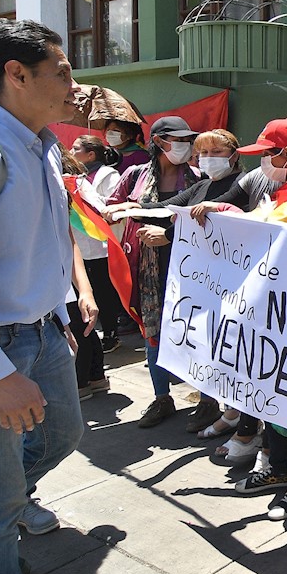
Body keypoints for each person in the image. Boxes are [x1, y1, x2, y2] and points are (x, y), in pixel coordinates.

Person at [0, 19, 86, 574]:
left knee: (63, 435)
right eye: (61, 71)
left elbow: (47, 237)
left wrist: (63, 311)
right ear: (16, 75)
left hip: (45, 334)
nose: (73, 82)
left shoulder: (42, 144)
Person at [191, 119, 287, 495]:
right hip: (275, 314)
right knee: (273, 393)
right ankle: (282, 466)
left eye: (268, 154)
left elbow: (266, 234)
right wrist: (224, 209)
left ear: (286, 154)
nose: (263, 163)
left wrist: (227, 215)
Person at [105, 128, 247, 435]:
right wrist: (125, 208)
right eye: (204, 153)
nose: (209, 159)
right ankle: (217, 410)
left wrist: (168, 235)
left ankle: (234, 416)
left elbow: (214, 223)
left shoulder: (240, 185)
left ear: (234, 155)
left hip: (224, 283)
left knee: (222, 345)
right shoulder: (201, 186)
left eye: (218, 152)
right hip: (191, 279)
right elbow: (167, 209)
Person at [104, 116, 199, 429]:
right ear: (159, 142)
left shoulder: (197, 177)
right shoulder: (135, 176)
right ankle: (162, 398)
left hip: (190, 268)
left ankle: (208, 400)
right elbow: (111, 208)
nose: (185, 146)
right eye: (179, 140)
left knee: (197, 330)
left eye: (188, 140)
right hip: (147, 268)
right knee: (152, 329)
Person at [68, 135, 124, 355]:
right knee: (88, 290)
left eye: (76, 148)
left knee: (104, 291)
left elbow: (111, 205)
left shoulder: (107, 175)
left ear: (90, 154)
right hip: (82, 244)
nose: (72, 152)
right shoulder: (78, 177)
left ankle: (111, 333)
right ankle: (93, 334)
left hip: (101, 243)